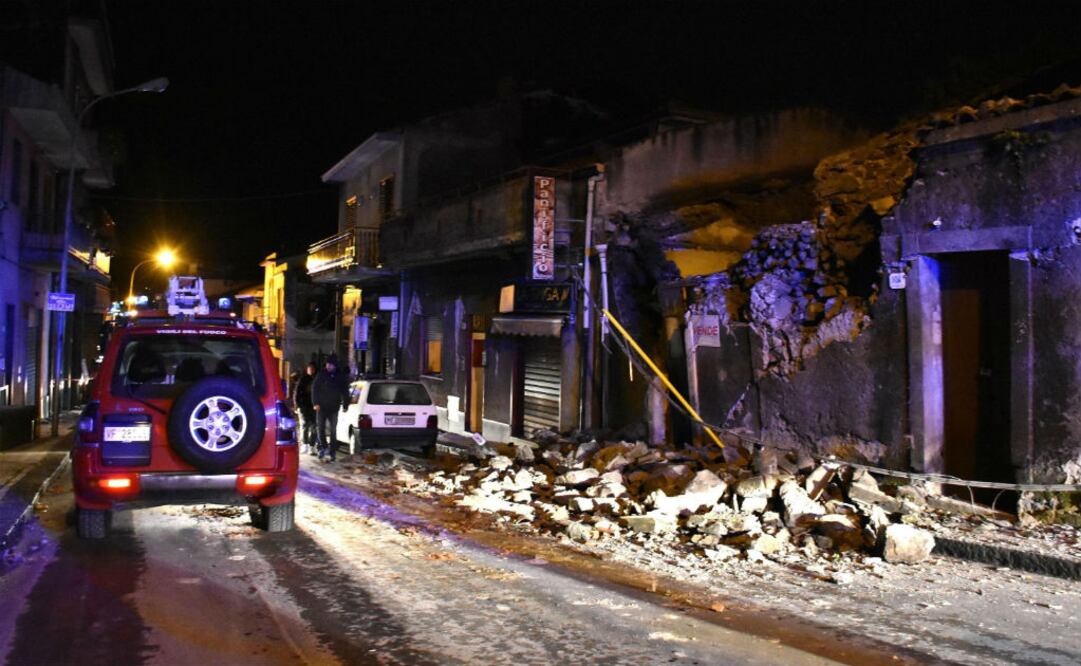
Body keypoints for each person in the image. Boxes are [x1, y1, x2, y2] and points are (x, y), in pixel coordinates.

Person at [311, 354, 350, 462]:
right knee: (321, 428)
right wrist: (315, 403)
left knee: (333, 431)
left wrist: (346, 404)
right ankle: (323, 447)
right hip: (321, 407)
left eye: (331, 365)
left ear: (335, 366)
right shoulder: (321, 375)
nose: (328, 366)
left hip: (334, 407)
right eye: (327, 364)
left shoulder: (339, 377)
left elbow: (345, 391)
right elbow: (315, 389)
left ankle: (332, 451)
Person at [293, 363, 317, 455]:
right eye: (309, 369)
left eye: (312, 369)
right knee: (305, 425)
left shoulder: (317, 380)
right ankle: (305, 445)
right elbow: (297, 392)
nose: (311, 370)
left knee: (314, 426)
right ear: (307, 370)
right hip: (304, 406)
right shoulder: (303, 379)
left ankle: (312, 445)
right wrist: (297, 405)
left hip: (314, 407)